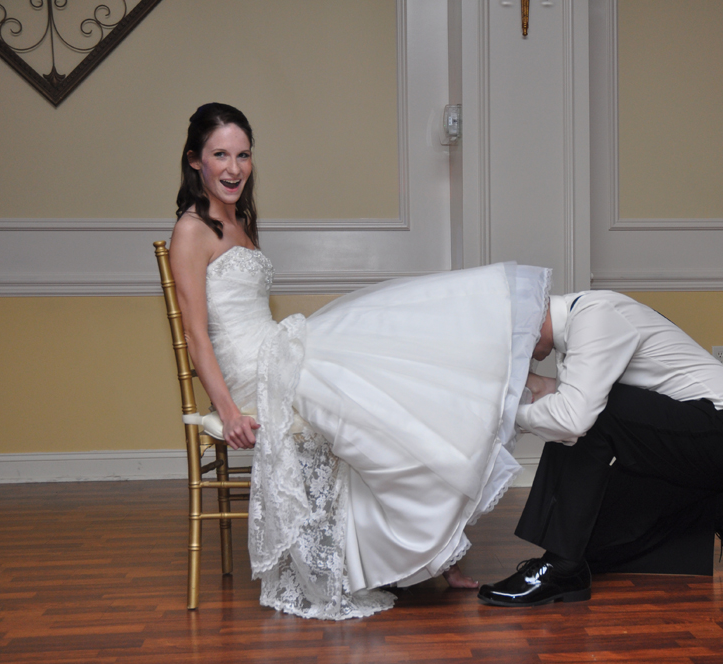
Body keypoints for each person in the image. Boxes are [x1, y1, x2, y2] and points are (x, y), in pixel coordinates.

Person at [168, 103, 551, 620]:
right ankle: (435, 542)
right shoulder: (191, 229)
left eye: (243, 155)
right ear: (196, 161)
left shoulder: (237, 218)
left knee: (385, 372)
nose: (234, 168)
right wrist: (229, 411)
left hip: (277, 350)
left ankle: (434, 549)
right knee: (371, 363)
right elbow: (196, 335)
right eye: (220, 155)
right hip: (253, 375)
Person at [477, 291, 723, 607]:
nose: (518, 354)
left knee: (587, 415)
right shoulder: (578, 328)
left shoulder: (595, 316)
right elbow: (554, 393)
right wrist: (512, 394)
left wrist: (508, 417)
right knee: (592, 546)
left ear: (530, 323)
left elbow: (574, 418)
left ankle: (560, 566)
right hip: (693, 438)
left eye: (515, 343)